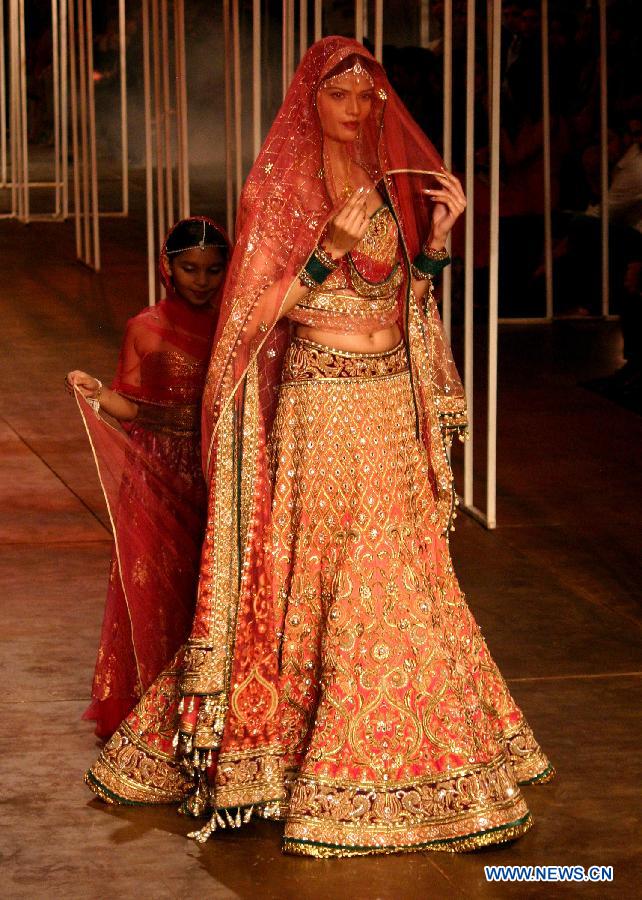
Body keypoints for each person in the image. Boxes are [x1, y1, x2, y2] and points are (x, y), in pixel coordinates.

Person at [86, 38, 553, 857]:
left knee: (403, 574)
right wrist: (321, 252)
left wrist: (439, 237)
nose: (362, 108)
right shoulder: (285, 191)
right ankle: (318, 764)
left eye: (371, 95)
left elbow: (401, 298)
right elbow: (252, 319)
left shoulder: (385, 192)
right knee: (332, 574)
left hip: (383, 405)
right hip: (320, 408)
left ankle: (434, 762)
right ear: (313, 102)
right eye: (343, 94)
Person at [67, 217, 230, 738]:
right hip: (154, 470)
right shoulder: (145, 326)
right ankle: (150, 705)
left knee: (207, 584)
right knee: (156, 586)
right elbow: (131, 407)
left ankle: (204, 707)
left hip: (211, 468)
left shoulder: (232, 326)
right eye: (189, 269)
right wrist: (93, 390)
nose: (201, 281)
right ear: (168, 267)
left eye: (212, 270)